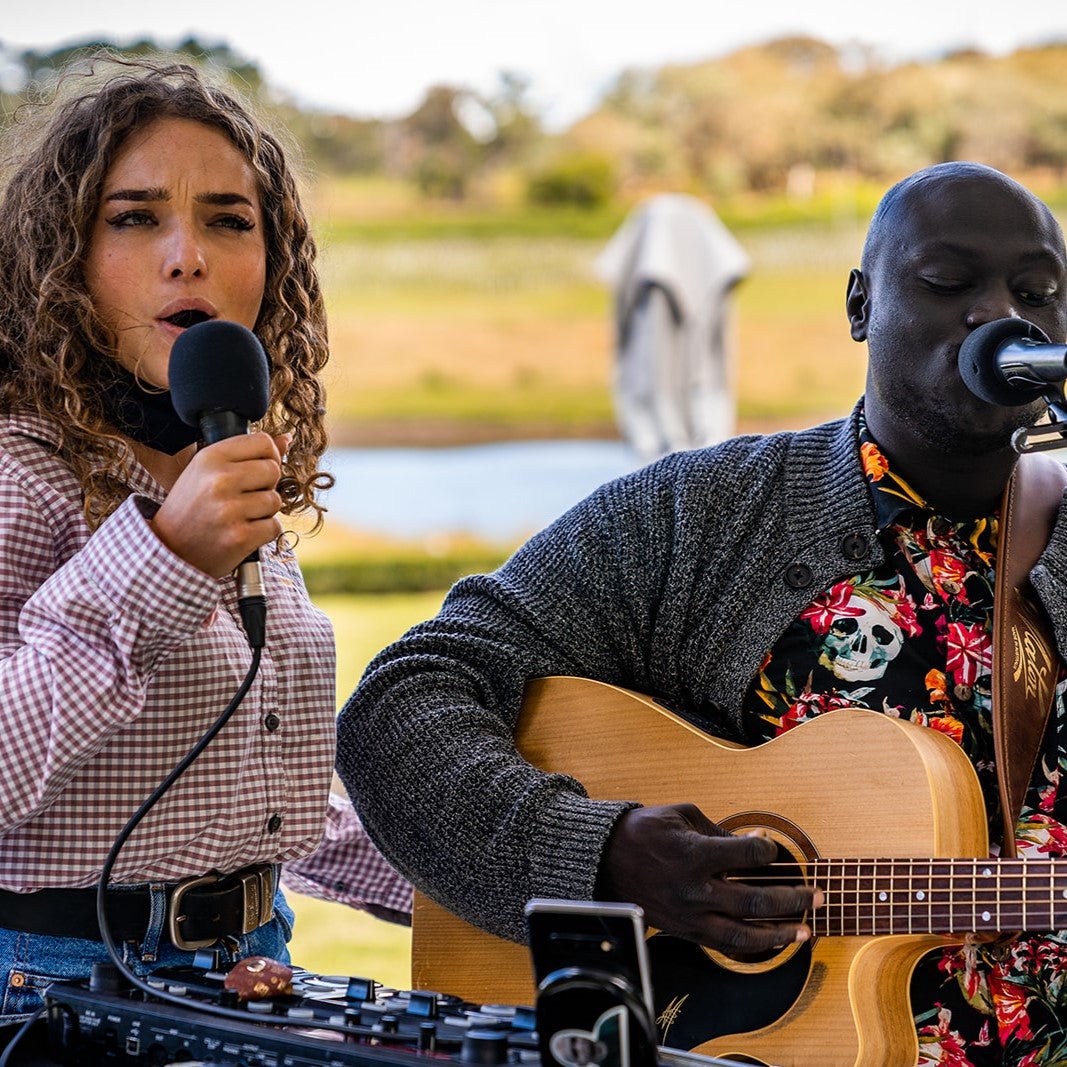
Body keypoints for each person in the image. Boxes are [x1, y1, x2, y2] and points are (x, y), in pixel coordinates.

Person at [338, 162, 1067, 1063]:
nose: (999, 314)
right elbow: (403, 700)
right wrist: (596, 856)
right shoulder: (698, 517)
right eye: (949, 282)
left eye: (1035, 292)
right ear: (858, 307)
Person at [0, 58, 408, 1023]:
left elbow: (247, 795)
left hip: (251, 970)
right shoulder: (21, 472)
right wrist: (165, 559)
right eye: (134, 216)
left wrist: (500, 894)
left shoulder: (219, 460)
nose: (188, 254)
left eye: (229, 219)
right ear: (59, 254)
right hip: (49, 992)